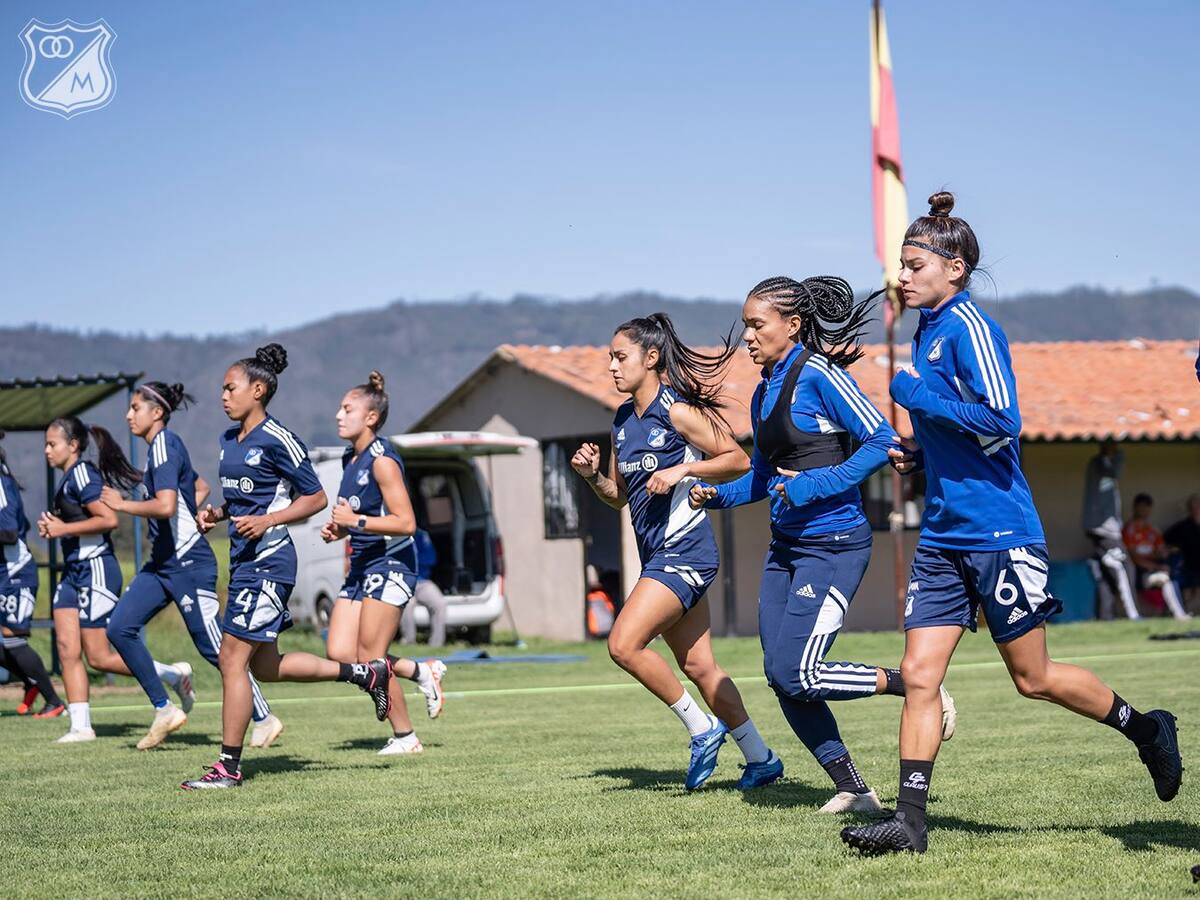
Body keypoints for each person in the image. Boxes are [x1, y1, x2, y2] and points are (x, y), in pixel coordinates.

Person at [841, 192, 1182, 856]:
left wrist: (918, 397)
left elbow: (1003, 422)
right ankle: (910, 823)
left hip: (999, 531)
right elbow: (961, 434)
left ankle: (1148, 730)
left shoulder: (971, 328)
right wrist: (920, 452)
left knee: (1033, 679)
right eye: (901, 266)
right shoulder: (927, 331)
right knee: (919, 674)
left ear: (955, 269)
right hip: (942, 536)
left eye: (914, 265)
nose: (902, 277)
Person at [690, 275, 956, 813]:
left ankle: (912, 684)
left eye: (757, 325)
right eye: (745, 325)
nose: (747, 336)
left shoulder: (820, 374)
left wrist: (815, 484)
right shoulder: (764, 391)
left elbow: (881, 440)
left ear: (791, 325)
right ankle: (854, 789)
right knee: (781, 675)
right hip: (785, 550)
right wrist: (716, 496)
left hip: (835, 545)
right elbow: (764, 477)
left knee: (799, 671)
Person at [572, 313, 780, 791]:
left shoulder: (677, 412)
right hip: (659, 557)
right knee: (700, 667)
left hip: (685, 551)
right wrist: (592, 477)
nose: (612, 367)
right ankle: (761, 758)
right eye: (609, 358)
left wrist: (683, 471)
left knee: (623, 645)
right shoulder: (621, 421)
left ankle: (701, 727)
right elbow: (619, 496)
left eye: (620, 357)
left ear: (651, 358)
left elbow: (738, 460)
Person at [182, 344, 391, 790]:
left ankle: (228, 767)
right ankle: (365, 673)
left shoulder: (279, 438)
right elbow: (246, 500)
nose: (223, 396)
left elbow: (315, 498)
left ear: (257, 390)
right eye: (222, 389)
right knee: (266, 667)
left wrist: (269, 521)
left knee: (230, 658)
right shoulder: (228, 441)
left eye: (230, 388)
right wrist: (217, 515)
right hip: (243, 561)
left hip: (269, 562)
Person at [101, 381, 284, 750]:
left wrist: (122, 506)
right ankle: (164, 708)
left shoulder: (165, 444)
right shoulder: (159, 449)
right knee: (119, 628)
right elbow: (199, 486)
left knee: (214, 647)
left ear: (157, 412)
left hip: (188, 563)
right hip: (162, 564)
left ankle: (264, 717)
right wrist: (193, 514)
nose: (128, 415)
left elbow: (166, 506)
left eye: (135, 408)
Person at [40, 416, 189, 741]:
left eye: (52, 444)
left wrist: (63, 528)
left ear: (73, 445)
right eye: (46, 445)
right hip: (73, 572)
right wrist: (55, 528)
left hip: (95, 569)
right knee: (66, 648)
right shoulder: (67, 479)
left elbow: (108, 519)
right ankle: (81, 727)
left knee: (98, 656)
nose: (47, 450)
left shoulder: (83, 474)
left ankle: (169, 674)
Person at [321, 372, 446, 756]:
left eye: (348, 409)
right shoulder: (350, 458)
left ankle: (406, 738)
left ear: (371, 417)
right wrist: (340, 530)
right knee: (341, 654)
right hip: (362, 564)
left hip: (391, 564)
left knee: (371, 658)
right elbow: (364, 516)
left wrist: (354, 522)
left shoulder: (382, 461)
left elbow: (405, 523)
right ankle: (419, 670)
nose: (339, 415)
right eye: (340, 408)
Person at [0, 433, 64, 718]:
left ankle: (54, 701)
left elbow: (9, 533)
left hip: (15, 573)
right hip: (3, 573)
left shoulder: (1, 482)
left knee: (13, 639)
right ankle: (31, 682)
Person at [1082, 439, 1141, 620]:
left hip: (1100, 529)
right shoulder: (1100, 462)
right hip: (1104, 530)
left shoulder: (1102, 464)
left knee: (1106, 572)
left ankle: (1106, 616)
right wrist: (1116, 455)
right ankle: (1134, 615)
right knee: (1125, 567)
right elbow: (1114, 472)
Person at [1122, 493, 1190, 621]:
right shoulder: (1129, 530)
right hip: (1137, 574)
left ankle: (1178, 614)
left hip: (1154, 571)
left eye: (1147, 507)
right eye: (1141, 506)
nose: (1144, 510)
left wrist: (1168, 552)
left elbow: (1161, 551)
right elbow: (1133, 558)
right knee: (1165, 579)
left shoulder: (1152, 530)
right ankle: (1179, 615)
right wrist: (1157, 566)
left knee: (1171, 576)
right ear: (1135, 507)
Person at [399, 527, 448, 648]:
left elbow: (431, 559)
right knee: (407, 604)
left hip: (422, 581)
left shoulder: (422, 535)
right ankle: (409, 642)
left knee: (440, 603)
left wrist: (411, 558)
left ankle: (436, 644)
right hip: (403, 581)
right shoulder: (396, 534)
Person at [1165, 494, 1200, 613]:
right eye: (1193, 507)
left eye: (1198, 506)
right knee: (1185, 587)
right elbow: (1165, 542)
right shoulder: (1183, 527)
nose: (1196, 510)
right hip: (1187, 567)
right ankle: (1185, 611)